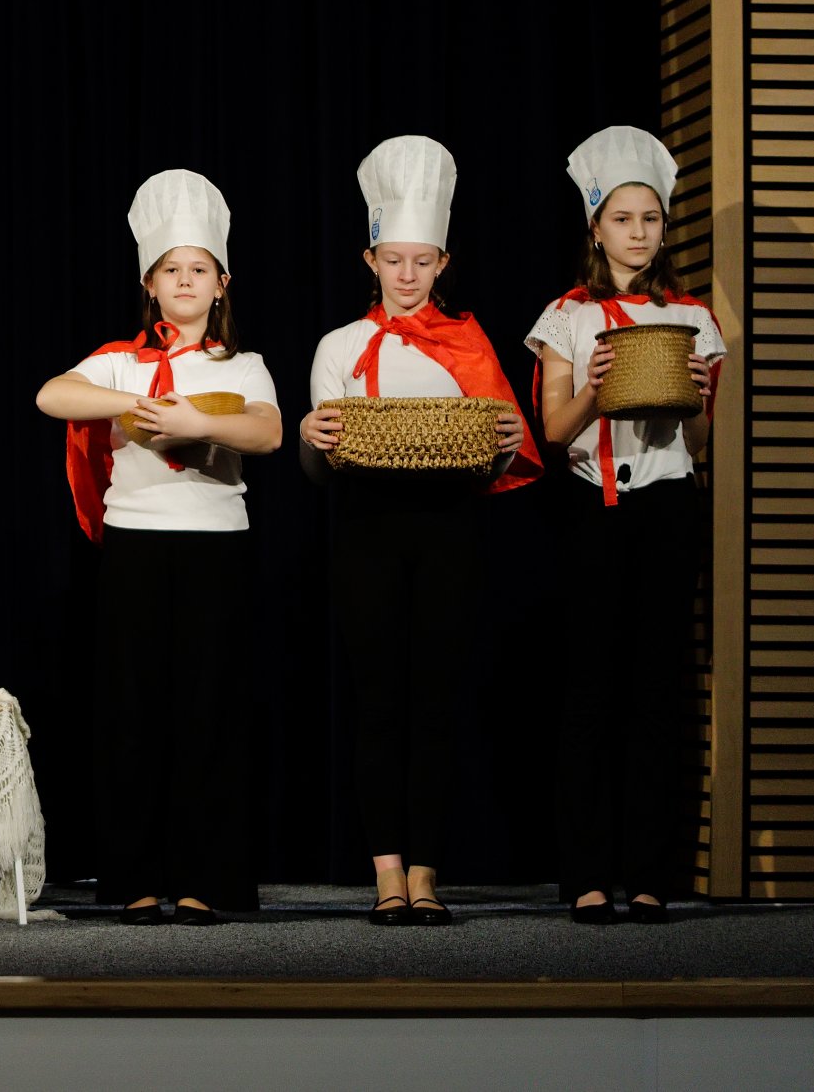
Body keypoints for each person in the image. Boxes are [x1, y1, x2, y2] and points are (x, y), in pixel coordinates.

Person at [296, 136, 541, 926]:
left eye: (422, 261)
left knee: (436, 701)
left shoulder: (469, 344)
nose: (407, 274)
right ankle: (387, 874)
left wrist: (505, 441)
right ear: (370, 261)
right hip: (365, 531)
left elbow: (494, 449)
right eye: (394, 260)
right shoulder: (339, 347)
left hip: (450, 531)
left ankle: (428, 873)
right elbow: (320, 471)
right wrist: (310, 440)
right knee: (378, 703)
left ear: (443, 263)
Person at [35, 170, 281, 925]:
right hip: (137, 546)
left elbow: (268, 431)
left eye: (199, 269)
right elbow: (53, 395)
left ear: (221, 284)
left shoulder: (241, 365)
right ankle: (135, 878)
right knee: (133, 713)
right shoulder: (121, 361)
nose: (185, 280)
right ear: (150, 283)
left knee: (210, 713)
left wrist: (198, 423)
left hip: (215, 548)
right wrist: (137, 405)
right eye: (171, 269)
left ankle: (207, 877)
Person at [527, 125, 724, 925]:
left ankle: (649, 874)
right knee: (590, 689)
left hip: (669, 508)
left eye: (650, 220)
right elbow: (553, 430)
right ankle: (586, 875)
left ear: (665, 229)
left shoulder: (694, 317)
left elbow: (699, 442)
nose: (637, 233)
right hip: (594, 509)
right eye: (622, 219)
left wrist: (699, 396)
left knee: (657, 688)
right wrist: (596, 387)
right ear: (596, 227)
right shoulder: (568, 316)